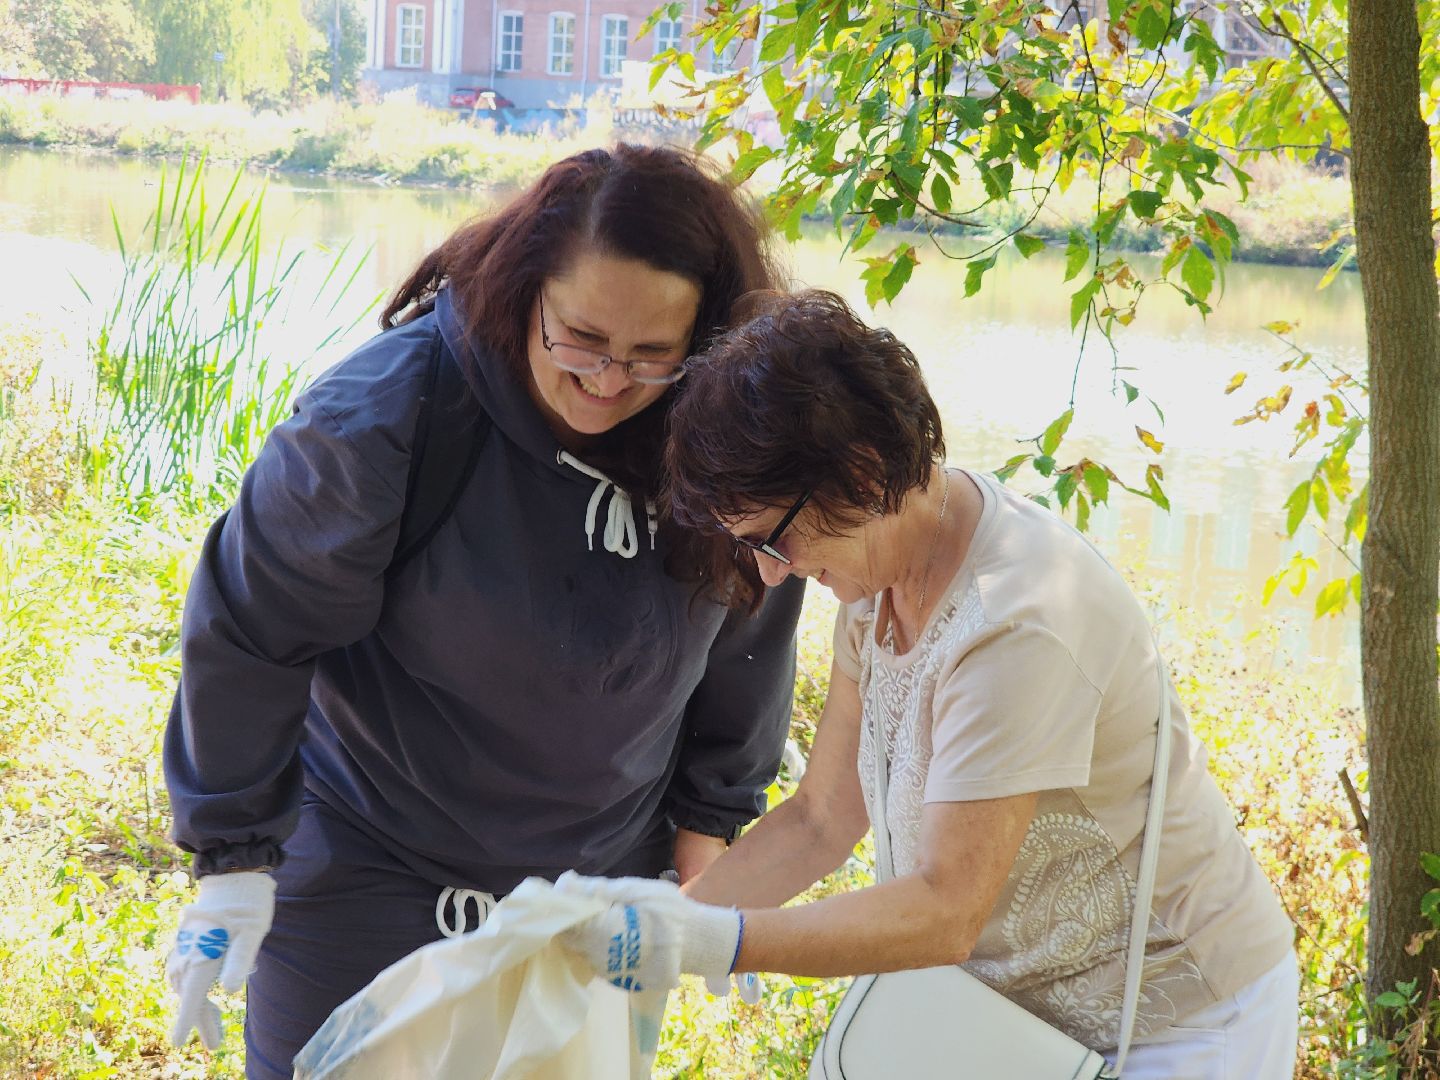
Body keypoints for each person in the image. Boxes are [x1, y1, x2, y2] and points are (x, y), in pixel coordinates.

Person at [160, 145, 805, 1079]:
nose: (607, 380)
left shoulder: (716, 429)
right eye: (579, 337)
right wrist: (232, 864)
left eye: (651, 354)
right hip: (371, 867)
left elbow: (749, 626)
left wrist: (709, 851)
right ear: (526, 288)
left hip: (594, 893)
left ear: (704, 342)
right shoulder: (386, 418)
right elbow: (253, 629)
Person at [562, 290, 1300, 1078]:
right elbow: (821, 819)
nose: (770, 576)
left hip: (1175, 1027)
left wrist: (723, 941)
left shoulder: (1018, 623)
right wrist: (659, 926)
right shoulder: (878, 572)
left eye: (771, 539)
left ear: (862, 472)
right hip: (1007, 1019)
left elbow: (947, 908)